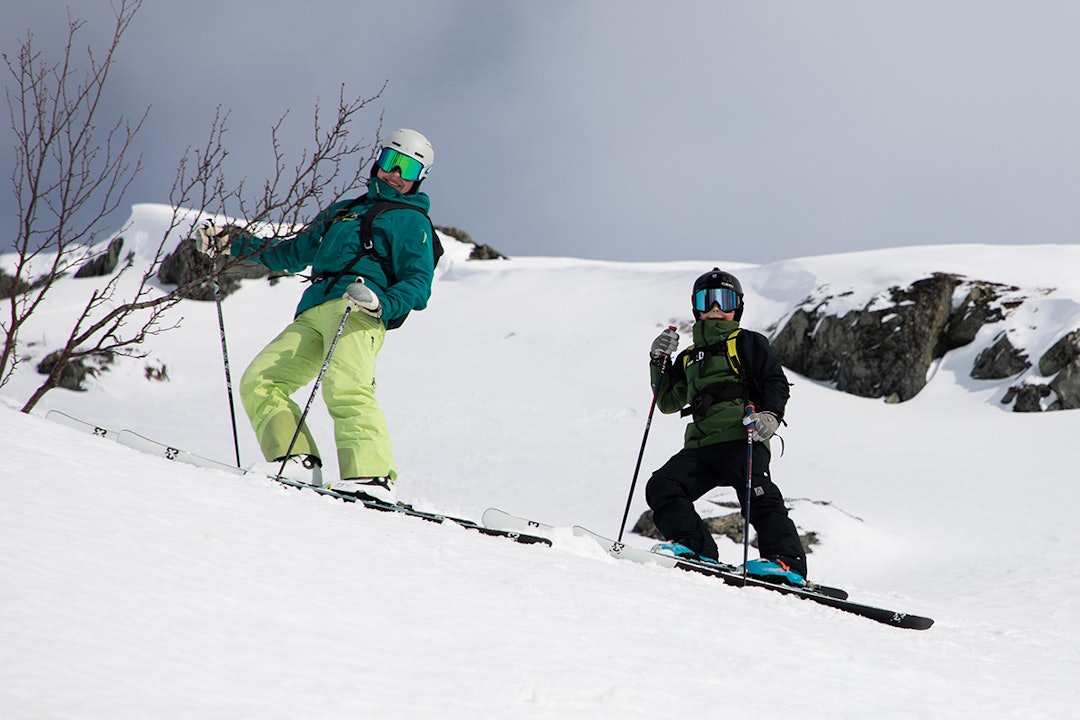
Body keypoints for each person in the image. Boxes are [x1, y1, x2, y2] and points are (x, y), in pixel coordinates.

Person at [196, 128, 437, 504]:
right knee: (261, 380)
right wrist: (232, 242)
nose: (395, 173)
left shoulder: (412, 222)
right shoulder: (343, 212)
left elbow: (418, 283)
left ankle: (370, 476)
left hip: (358, 308)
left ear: (418, 178)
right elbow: (289, 254)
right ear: (379, 161)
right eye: (391, 161)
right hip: (313, 310)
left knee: (346, 385)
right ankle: (296, 460)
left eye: (407, 168)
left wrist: (380, 304)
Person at [644, 268, 808, 585]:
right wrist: (659, 360)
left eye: (725, 299)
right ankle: (694, 547)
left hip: (743, 436)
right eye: (709, 300)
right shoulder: (689, 357)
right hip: (702, 446)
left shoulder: (746, 342)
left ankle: (787, 562)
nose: (716, 307)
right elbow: (667, 402)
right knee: (662, 486)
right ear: (697, 307)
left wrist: (770, 416)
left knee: (758, 494)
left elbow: (775, 381)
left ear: (738, 306)